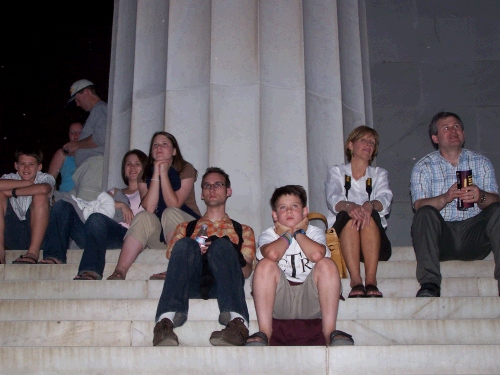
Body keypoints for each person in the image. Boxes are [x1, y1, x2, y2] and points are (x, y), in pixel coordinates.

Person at [152, 167, 255, 347]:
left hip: (224, 284)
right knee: (184, 244)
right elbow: (174, 259)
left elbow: (246, 272)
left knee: (222, 244)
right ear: (202, 194)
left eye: (218, 185)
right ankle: (164, 324)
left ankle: (239, 325)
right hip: (191, 282)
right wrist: (197, 252)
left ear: (228, 191)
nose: (212, 189)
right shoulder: (185, 228)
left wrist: (231, 251)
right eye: (207, 186)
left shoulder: (244, 230)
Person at [245, 185, 353, 346]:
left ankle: (330, 331)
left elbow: (316, 255)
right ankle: (265, 332)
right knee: (265, 265)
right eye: (283, 207)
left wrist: (298, 233)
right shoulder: (268, 234)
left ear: (304, 212)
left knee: (327, 264)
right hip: (280, 299)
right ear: (274, 215)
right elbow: (273, 255)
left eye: (294, 206)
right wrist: (288, 234)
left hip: (311, 298)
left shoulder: (314, 232)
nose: (289, 211)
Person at [410, 111, 500, 297]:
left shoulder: (481, 163)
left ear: (464, 134)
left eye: (457, 126)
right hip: (443, 237)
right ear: (435, 138)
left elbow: (495, 201)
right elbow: (418, 205)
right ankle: (429, 284)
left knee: (498, 210)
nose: (453, 131)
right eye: (446, 128)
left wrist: (481, 196)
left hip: (474, 234)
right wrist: (446, 197)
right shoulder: (423, 166)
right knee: (425, 213)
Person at [107, 131, 201, 280]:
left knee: (169, 212)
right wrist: (156, 174)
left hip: (188, 231)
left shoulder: (186, 169)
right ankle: (120, 270)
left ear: (174, 151)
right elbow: (149, 208)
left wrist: (164, 173)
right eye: (155, 145)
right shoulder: (144, 174)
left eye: (165, 144)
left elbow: (174, 204)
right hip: (162, 233)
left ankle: (175, 267)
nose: (159, 148)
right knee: (143, 216)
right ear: (151, 151)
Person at [39, 150, 147, 278]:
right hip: (95, 231)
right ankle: (54, 256)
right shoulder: (115, 191)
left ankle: (90, 270)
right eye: (129, 164)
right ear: (124, 169)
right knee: (62, 206)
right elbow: (99, 204)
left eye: (137, 164)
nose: (133, 167)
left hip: (124, 235)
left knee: (96, 219)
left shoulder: (147, 193)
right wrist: (121, 205)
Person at [325, 125, 393, 298]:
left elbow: (385, 197)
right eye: (363, 140)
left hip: (374, 240)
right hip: (343, 239)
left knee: (368, 216)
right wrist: (350, 207)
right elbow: (333, 197)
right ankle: (356, 280)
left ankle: (371, 280)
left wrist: (370, 206)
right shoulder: (337, 172)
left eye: (372, 142)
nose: (368, 144)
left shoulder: (379, 174)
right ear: (350, 145)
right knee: (350, 216)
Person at [1, 144, 55, 264]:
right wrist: (27, 183)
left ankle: (33, 253)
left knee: (40, 197)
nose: (26, 168)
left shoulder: (45, 177)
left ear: (39, 167)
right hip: (12, 233)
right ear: (16, 165)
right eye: (22, 164)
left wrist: (13, 192)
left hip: (39, 235)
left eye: (31, 164)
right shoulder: (9, 177)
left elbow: (43, 189)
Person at [64, 79, 107, 201]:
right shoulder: (97, 112)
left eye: (77, 99)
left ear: (87, 92)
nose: (77, 104)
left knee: (84, 207)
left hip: (93, 169)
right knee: (69, 203)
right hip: (86, 171)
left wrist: (77, 145)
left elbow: (102, 136)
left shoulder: (100, 109)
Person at [48, 121, 83, 192]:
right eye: (72, 133)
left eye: (79, 132)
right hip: (66, 196)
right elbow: (50, 179)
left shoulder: (92, 154)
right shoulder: (62, 153)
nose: (76, 135)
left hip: (88, 196)